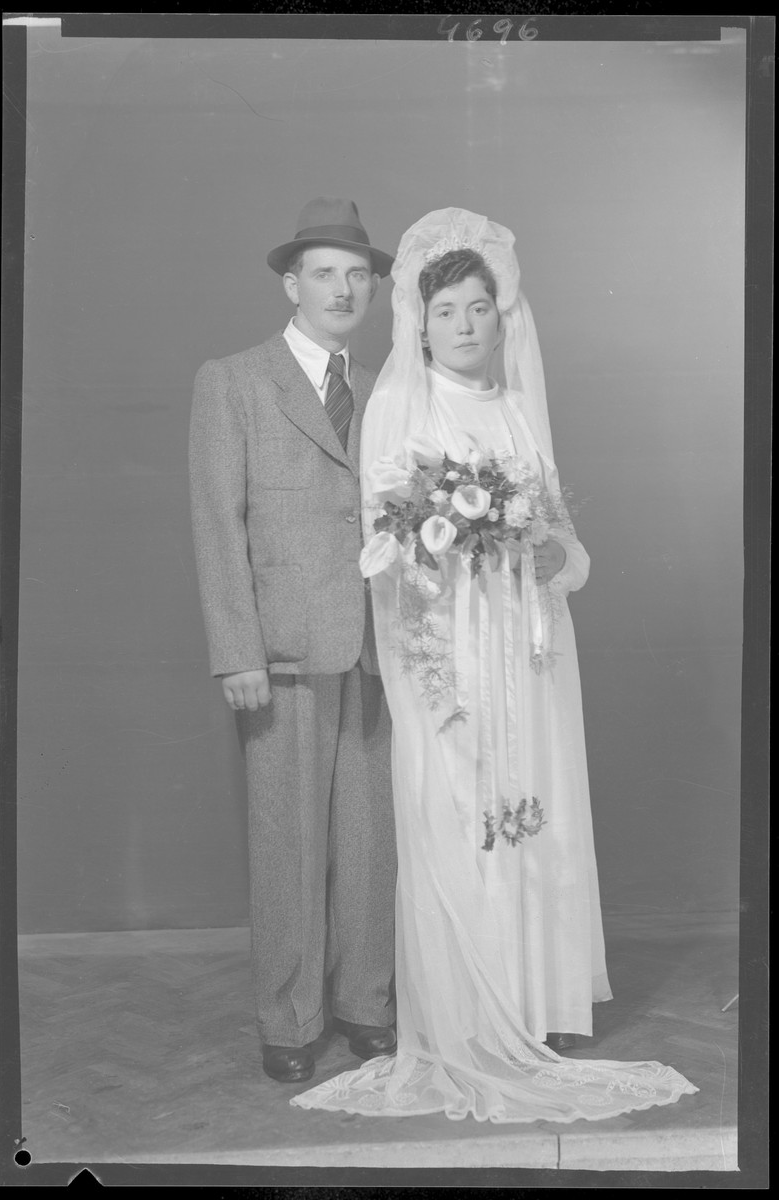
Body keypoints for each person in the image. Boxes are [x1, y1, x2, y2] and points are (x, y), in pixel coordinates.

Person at [291, 207, 697, 1122]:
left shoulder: (514, 409)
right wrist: (437, 623)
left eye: (480, 309)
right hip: (447, 647)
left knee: (534, 810)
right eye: (447, 313)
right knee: (457, 808)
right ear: (419, 322)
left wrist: (559, 557)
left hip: (529, 647)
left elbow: (563, 535)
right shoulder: (402, 404)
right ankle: (467, 1010)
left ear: (501, 317)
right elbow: (382, 549)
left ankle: (531, 1002)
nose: (467, 327)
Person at [189, 198, 398, 1084]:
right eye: (325, 272)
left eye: (358, 274)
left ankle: (365, 1006)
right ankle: (289, 1019)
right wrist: (236, 651)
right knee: (287, 842)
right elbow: (216, 522)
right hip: (279, 650)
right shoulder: (234, 381)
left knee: (368, 838)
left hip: (380, 648)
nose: (344, 288)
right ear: (291, 283)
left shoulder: (391, 387)